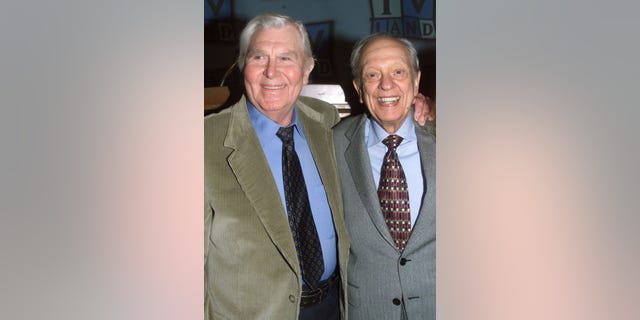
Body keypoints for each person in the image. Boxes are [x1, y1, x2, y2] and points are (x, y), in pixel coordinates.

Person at [205, 12, 434, 319]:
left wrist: (424, 105)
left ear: (307, 69)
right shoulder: (201, 143)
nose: (272, 72)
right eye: (259, 56)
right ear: (244, 64)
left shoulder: (324, 123)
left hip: (333, 308)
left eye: (286, 57)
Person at [333, 33, 436, 320]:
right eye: (372, 74)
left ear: (416, 81)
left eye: (398, 72)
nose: (386, 84)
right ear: (358, 88)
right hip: (367, 309)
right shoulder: (331, 144)